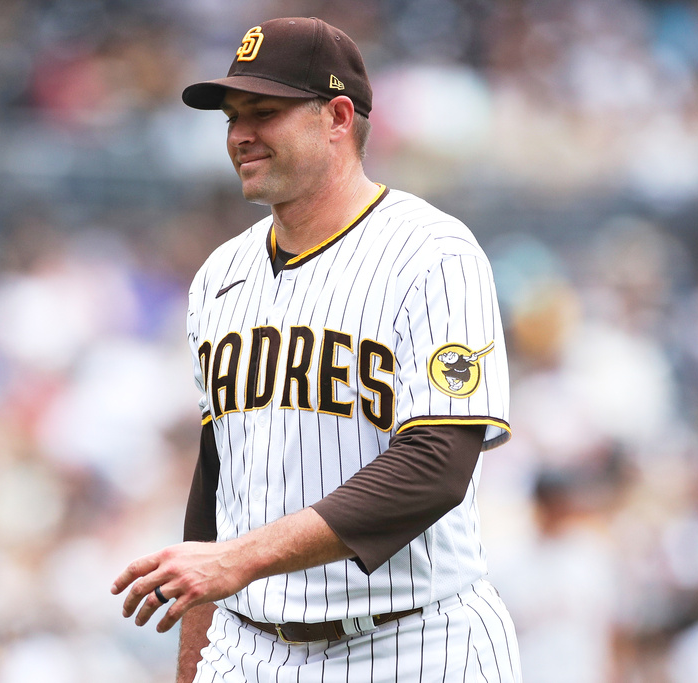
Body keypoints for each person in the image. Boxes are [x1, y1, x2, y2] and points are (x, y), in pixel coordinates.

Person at [111, 17, 522, 683]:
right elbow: (219, 476)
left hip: (414, 639)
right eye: (232, 117)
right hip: (250, 648)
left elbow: (436, 466)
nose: (239, 134)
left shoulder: (432, 254)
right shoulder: (221, 275)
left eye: (263, 112)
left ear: (336, 116)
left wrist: (242, 557)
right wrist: (194, 658)